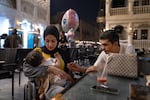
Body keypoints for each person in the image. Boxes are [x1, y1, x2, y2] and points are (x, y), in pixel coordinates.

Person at [23, 25, 74, 99]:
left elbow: (68, 72)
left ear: (57, 40)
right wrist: (47, 69)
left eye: (53, 41)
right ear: (44, 40)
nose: (50, 44)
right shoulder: (38, 52)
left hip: (63, 81)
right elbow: (26, 70)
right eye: (47, 41)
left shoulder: (63, 53)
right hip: (47, 86)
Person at [67, 29, 136, 73]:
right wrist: (79, 69)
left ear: (115, 44)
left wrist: (102, 69)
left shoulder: (128, 49)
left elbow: (130, 71)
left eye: (105, 45)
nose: (102, 48)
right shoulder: (105, 52)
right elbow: (94, 68)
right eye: (102, 45)